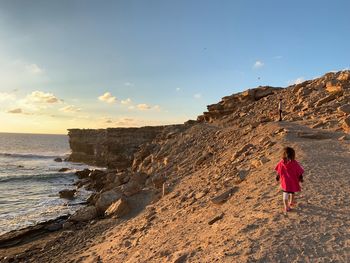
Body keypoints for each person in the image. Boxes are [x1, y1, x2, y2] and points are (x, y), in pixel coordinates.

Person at [275, 147, 304, 212]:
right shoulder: (294, 162)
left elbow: (279, 171)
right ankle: (291, 202)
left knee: (285, 194)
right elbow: (299, 171)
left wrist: (278, 176)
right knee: (292, 192)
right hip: (292, 181)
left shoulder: (281, 163)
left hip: (285, 182)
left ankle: (286, 207)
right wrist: (301, 177)